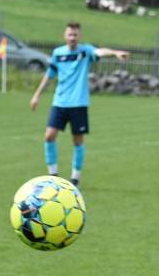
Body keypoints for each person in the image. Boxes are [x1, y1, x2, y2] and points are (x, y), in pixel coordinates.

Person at [30, 22, 130, 186]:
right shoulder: (58, 53)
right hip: (60, 102)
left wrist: (114, 53)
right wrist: (36, 95)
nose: (72, 38)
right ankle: (53, 177)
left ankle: (75, 179)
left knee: (77, 141)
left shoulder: (85, 52)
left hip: (78, 103)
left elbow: (100, 51)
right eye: (70, 34)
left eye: (75, 35)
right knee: (49, 136)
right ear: (65, 36)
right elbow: (49, 76)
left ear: (79, 36)